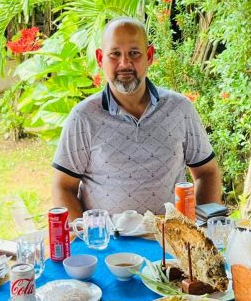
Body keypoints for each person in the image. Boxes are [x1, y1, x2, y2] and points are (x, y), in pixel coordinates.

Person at [52, 17, 222, 216]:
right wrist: (85, 239)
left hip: (170, 239)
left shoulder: (180, 109)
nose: (125, 63)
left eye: (134, 53)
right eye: (115, 54)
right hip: (110, 244)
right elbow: (63, 186)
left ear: (149, 56)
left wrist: (200, 227)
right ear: (100, 59)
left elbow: (206, 173)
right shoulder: (83, 117)